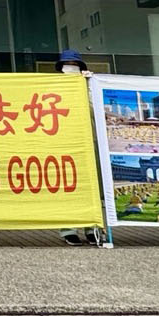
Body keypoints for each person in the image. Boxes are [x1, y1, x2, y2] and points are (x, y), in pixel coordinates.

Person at [54, 50, 101, 246]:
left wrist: (89, 86)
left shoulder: (89, 86)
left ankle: (93, 229)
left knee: (91, 187)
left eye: (74, 64)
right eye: (68, 64)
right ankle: (69, 230)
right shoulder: (53, 87)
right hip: (65, 143)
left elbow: (95, 110)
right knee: (67, 187)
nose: (71, 68)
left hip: (88, 142)